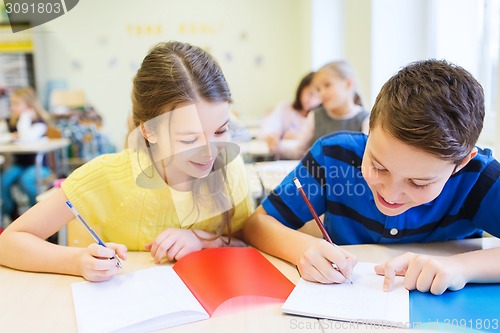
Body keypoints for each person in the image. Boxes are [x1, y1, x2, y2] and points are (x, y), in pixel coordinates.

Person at [0, 41, 254, 282]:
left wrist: (203, 241)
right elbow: (9, 242)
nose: (210, 153)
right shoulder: (106, 175)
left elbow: (248, 243)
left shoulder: (228, 169)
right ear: (149, 131)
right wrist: (76, 260)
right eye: (189, 140)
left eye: (220, 131)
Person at [242, 59, 500, 295]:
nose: (390, 193)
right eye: (378, 167)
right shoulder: (334, 156)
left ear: (462, 163)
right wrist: (301, 249)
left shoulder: (479, 177)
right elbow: (257, 224)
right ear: (369, 127)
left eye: (418, 182)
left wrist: (462, 267)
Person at [274, 60, 370, 160]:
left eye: (327, 85)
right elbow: (298, 150)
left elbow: (366, 159)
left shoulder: (365, 119)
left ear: (348, 84)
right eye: (318, 89)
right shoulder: (315, 116)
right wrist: (277, 146)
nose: (322, 93)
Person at [1, 87, 53, 221]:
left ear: (29, 105)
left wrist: (24, 118)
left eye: (16, 104)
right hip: (20, 164)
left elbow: (27, 138)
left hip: (40, 166)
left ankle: (37, 212)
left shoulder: (39, 122)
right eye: (11, 104)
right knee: (4, 181)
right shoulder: (12, 122)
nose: (12, 107)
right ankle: (11, 211)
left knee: (26, 180)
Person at [259, 72, 321, 152]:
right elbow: (265, 132)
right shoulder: (284, 107)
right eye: (310, 93)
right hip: (282, 156)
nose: (312, 100)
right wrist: (276, 137)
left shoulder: (319, 116)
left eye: (318, 97)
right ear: (301, 89)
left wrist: (292, 136)